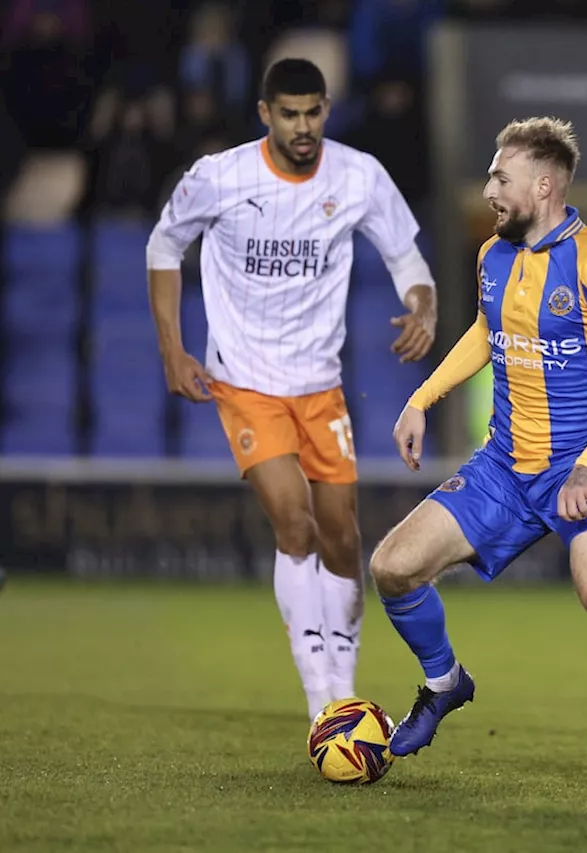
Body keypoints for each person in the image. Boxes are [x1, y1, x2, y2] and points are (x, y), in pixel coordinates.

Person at [367, 117, 587, 803]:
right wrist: (422, 398)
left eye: (501, 177)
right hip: (502, 466)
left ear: (545, 184)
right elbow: (485, 330)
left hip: (578, 470)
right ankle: (444, 684)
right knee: (393, 567)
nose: (489, 188)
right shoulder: (491, 254)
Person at [145, 59, 438, 721]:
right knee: (294, 521)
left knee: (341, 538)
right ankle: (320, 701)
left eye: (313, 113)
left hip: (320, 385)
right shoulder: (220, 178)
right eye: (289, 114)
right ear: (264, 114)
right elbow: (164, 248)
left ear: (326, 110)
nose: (303, 127)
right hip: (245, 381)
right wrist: (172, 348)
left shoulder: (358, 175)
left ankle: (343, 679)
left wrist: (422, 306)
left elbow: (407, 257)